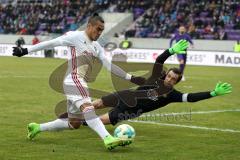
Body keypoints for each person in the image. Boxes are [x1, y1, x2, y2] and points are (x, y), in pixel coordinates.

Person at [12, 13, 145, 150]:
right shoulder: (75, 36)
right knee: (89, 109)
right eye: (98, 29)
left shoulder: (96, 46)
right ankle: (108, 139)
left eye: (102, 30)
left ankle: (37, 127)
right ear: (89, 26)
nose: (99, 33)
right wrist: (26, 50)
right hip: (73, 79)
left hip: (77, 82)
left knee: (74, 123)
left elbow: (109, 66)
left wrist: (131, 78)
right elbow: (52, 42)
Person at [54, 40, 231, 126]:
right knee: (95, 104)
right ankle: (71, 114)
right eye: (168, 76)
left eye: (173, 79)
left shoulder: (172, 95)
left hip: (131, 111)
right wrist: (171, 50)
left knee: (98, 121)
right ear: (166, 75)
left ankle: (78, 122)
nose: (169, 79)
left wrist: (212, 93)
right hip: (125, 96)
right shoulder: (156, 77)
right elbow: (160, 60)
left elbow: (191, 97)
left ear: (176, 81)